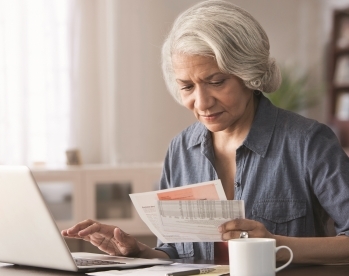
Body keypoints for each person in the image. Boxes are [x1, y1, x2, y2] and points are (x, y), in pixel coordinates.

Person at [62, 0, 349, 264]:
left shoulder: (308, 142)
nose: (201, 103)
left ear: (249, 74)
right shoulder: (180, 150)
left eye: (216, 81)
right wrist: (137, 251)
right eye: (187, 87)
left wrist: (275, 245)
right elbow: (175, 252)